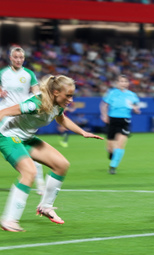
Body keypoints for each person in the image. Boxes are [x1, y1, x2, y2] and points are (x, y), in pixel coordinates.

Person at [0, 75, 103, 232]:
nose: (71, 99)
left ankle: (45, 207)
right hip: (8, 137)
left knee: (61, 165)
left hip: (26, 138)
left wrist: (83, 132)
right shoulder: (35, 104)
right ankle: (9, 219)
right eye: (68, 95)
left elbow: (62, 120)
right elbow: (4, 112)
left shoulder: (57, 105)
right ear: (55, 92)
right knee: (29, 171)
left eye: (72, 95)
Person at [0, 46, 46, 195]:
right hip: (5, 115)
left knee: (27, 147)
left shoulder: (29, 74)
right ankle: (32, 178)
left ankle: (39, 182)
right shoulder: (3, 73)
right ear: (10, 58)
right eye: (16, 57)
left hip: (22, 116)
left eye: (21, 58)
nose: (19, 60)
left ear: (24, 59)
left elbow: (37, 93)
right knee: (12, 146)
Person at [100, 75, 140, 175]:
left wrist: (136, 109)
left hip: (124, 121)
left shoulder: (132, 95)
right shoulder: (112, 93)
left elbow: (136, 107)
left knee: (120, 145)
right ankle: (111, 154)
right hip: (112, 120)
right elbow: (104, 105)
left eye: (125, 81)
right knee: (110, 147)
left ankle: (113, 166)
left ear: (128, 83)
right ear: (117, 83)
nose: (123, 83)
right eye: (121, 81)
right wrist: (104, 115)